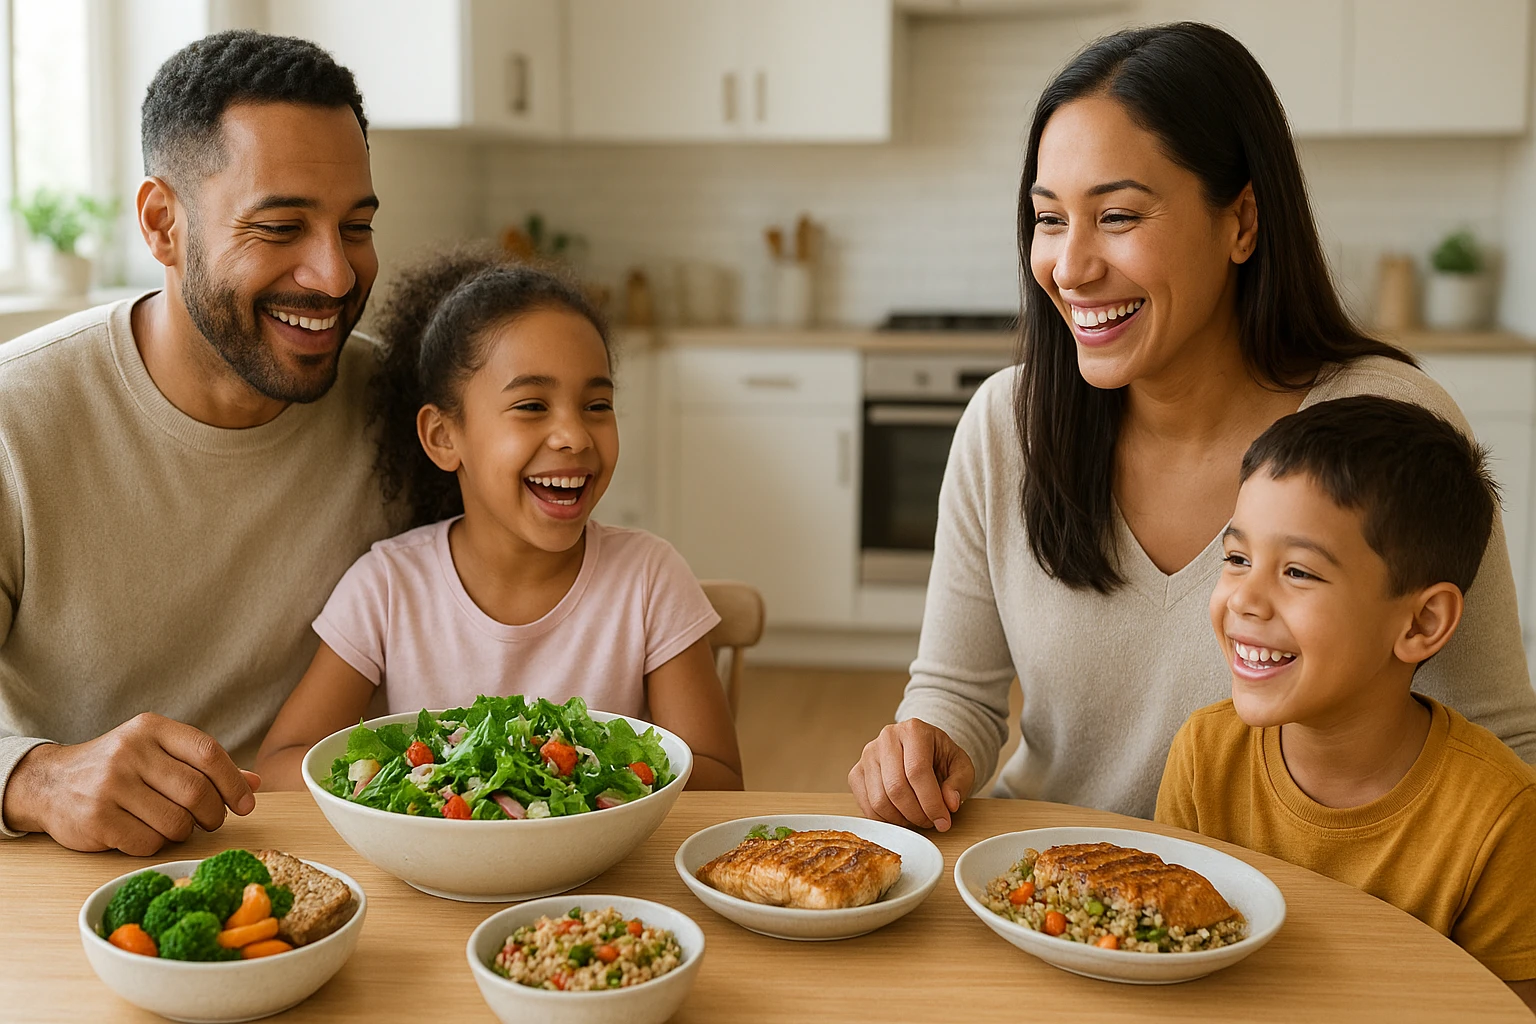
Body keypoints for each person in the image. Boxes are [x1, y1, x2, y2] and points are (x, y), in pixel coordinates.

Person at [849, 22, 1536, 831]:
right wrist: (924, 747)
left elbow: (1501, 743)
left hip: (1287, 910)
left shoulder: (1384, 424)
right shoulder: (1008, 425)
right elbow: (957, 694)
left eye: (1118, 216)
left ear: (1242, 220)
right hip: (1042, 885)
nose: (1070, 268)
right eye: (1049, 219)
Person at [0, 31, 394, 854]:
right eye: (281, 227)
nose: (334, 275)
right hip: (78, 896)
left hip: (349, 872)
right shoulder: (17, 418)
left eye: (354, 227)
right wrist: (35, 778)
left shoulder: (405, 409)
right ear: (161, 224)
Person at [255, 250, 744, 793]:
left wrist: (595, 786)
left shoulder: (649, 578)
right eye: (532, 406)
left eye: (597, 405)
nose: (575, 436)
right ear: (444, 437)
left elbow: (718, 780)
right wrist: (408, 791)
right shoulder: (388, 586)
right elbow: (281, 764)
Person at [1155, 397, 1536, 1011]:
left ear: (1422, 622)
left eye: (1299, 572)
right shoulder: (1205, 753)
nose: (1245, 599)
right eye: (1236, 559)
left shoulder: (1501, 820)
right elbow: (1169, 962)